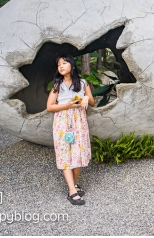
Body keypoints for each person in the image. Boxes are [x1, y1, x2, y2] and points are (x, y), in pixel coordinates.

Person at [46, 54, 94, 205]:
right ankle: (72, 190)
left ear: (72, 66)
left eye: (64, 63)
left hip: (79, 122)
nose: (60, 66)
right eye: (59, 64)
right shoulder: (57, 85)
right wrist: (68, 105)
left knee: (78, 154)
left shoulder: (83, 82)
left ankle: (73, 184)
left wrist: (85, 98)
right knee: (65, 154)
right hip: (63, 123)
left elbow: (92, 102)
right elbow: (50, 107)